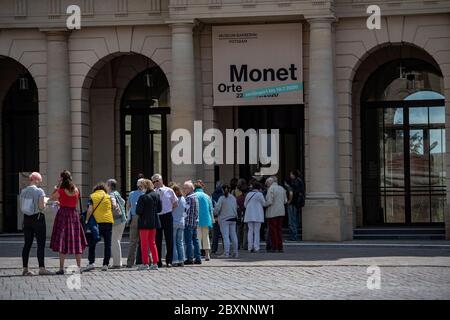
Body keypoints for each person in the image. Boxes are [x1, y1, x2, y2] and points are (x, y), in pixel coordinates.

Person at [49, 170, 87, 275]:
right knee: (76, 242)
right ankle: (78, 268)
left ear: (62, 179)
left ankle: (61, 268)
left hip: (63, 215)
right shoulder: (76, 190)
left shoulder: (61, 190)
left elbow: (51, 198)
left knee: (62, 240)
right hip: (73, 215)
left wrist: (56, 188)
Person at [19, 172, 53, 276]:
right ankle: (41, 268)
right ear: (36, 180)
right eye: (39, 181)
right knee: (40, 244)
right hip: (38, 219)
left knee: (27, 244)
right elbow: (41, 207)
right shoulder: (39, 191)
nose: (39, 183)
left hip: (26, 219)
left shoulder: (23, 191)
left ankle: (25, 269)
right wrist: (47, 203)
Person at [83, 183, 115, 272]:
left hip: (96, 223)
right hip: (108, 222)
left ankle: (91, 263)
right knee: (107, 244)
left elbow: (90, 209)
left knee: (93, 243)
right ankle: (105, 264)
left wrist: (86, 220)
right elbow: (112, 208)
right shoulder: (108, 196)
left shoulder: (92, 196)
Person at [152, 174, 178, 268]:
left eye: (157, 180)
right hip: (157, 217)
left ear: (162, 180)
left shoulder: (169, 190)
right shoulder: (153, 192)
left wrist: (168, 209)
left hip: (167, 216)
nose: (156, 183)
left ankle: (169, 261)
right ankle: (158, 261)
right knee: (157, 240)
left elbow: (175, 203)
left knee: (169, 239)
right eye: (154, 181)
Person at [136, 179, 162, 270]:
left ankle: (145, 263)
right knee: (152, 243)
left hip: (144, 223)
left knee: (144, 244)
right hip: (154, 222)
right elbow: (159, 209)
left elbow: (138, 211)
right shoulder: (157, 195)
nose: (141, 188)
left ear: (145, 187)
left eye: (141, 186)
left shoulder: (143, 197)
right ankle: (155, 263)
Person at [214, 184, 239, 258]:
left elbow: (217, 209)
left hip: (224, 219)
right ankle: (235, 252)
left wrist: (214, 212)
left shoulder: (222, 198)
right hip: (233, 218)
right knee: (234, 236)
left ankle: (226, 253)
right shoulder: (233, 198)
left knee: (226, 237)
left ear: (222, 190)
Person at [106, 179, 126, 268]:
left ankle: (117, 263)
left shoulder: (111, 194)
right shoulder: (117, 193)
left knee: (115, 242)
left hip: (116, 220)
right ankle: (118, 262)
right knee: (117, 241)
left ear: (110, 186)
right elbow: (123, 202)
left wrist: (114, 207)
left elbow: (113, 203)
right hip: (122, 220)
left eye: (107, 184)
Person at [265, 176, 287, 253]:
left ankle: (275, 247)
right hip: (281, 212)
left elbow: (269, 201)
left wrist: (264, 204)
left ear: (270, 182)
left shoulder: (271, 189)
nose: (266, 185)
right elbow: (285, 201)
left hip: (272, 212)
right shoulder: (282, 188)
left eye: (267, 183)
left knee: (273, 231)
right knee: (279, 230)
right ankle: (280, 247)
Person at [126, 178, 145, 267]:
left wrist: (128, 217)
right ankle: (145, 260)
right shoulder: (145, 194)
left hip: (134, 218)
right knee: (144, 241)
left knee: (133, 241)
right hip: (144, 218)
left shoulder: (131, 194)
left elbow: (128, 206)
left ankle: (130, 262)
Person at [194, 180, 214, 261]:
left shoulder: (194, 195)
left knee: (198, 237)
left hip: (197, 219)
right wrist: (212, 220)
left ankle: (198, 255)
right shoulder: (207, 196)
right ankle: (207, 255)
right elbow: (211, 209)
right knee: (206, 237)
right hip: (206, 219)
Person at [183, 181, 202, 265]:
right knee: (196, 241)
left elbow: (185, 211)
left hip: (188, 222)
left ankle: (190, 258)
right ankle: (198, 258)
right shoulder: (196, 197)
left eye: (185, 188)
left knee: (189, 242)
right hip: (195, 222)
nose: (184, 190)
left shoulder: (189, 198)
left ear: (190, 189)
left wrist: (181, 217)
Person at [244, 181, 266, 253]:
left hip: (249, 215)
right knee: (257, 231)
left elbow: (245, 205)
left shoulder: (248, 194)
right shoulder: (260, 194)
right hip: (258, 215)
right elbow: (264, 204)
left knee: (250, 231)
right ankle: (256, 247)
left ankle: (250, 247)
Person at [287, 170, 305, 241]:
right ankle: (294, 236)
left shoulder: (295, 182)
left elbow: (292, 193)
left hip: (293, 203)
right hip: (296, 203)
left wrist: (289, 201)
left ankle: (293, 236)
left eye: (291, 174)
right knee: (295, 219)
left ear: (294, 175)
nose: (290, 176)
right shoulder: (299, 181)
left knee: (292, 220)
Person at [171, 184, 187, 267]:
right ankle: (182, 260)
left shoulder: (174, 200)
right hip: (181, 222)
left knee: (173, 242)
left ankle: (175, 260)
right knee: (180, 242)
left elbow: (171, 210)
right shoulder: (183, 199)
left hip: (174, 222)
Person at [211, 181, 223, 255]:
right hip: (223, 216)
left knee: (215, 234)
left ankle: (214, 249)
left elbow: (211, 206)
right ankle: (225, 249)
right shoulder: (223, 195)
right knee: (224, 234)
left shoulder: (212, 195)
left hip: (215, 216)